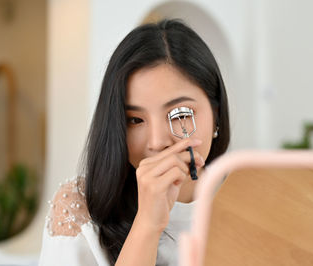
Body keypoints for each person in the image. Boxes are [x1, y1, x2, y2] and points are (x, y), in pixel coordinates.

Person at [38, 19, 230, 266]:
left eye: (181, 114)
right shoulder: (79, 213)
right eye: (135, 120)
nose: (158, 142)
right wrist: (148, 224)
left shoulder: (255, 200)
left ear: (217, 115)